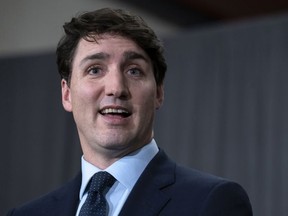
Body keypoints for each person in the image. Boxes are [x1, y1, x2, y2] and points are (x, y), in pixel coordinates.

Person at [7, 8, 253, 216]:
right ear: (67, 93)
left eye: (134, 70)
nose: (116, 88)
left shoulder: (213, 203)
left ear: (158, 92)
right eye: (94, 69)